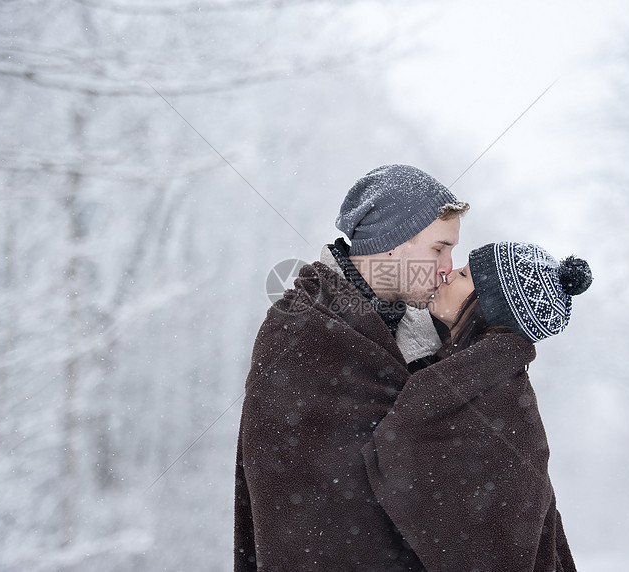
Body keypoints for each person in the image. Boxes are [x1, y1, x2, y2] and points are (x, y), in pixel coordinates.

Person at [234, 164, 469, 571]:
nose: (448, 265)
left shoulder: (434, 335)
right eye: (438, 248)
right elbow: (297, 507)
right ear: (392, 242)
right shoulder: (300, 332)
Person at [362, 241, 591, 572]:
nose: (449, 274)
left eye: (466, 274)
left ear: (490, 308)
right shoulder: (473, 379)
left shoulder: (496, 402)